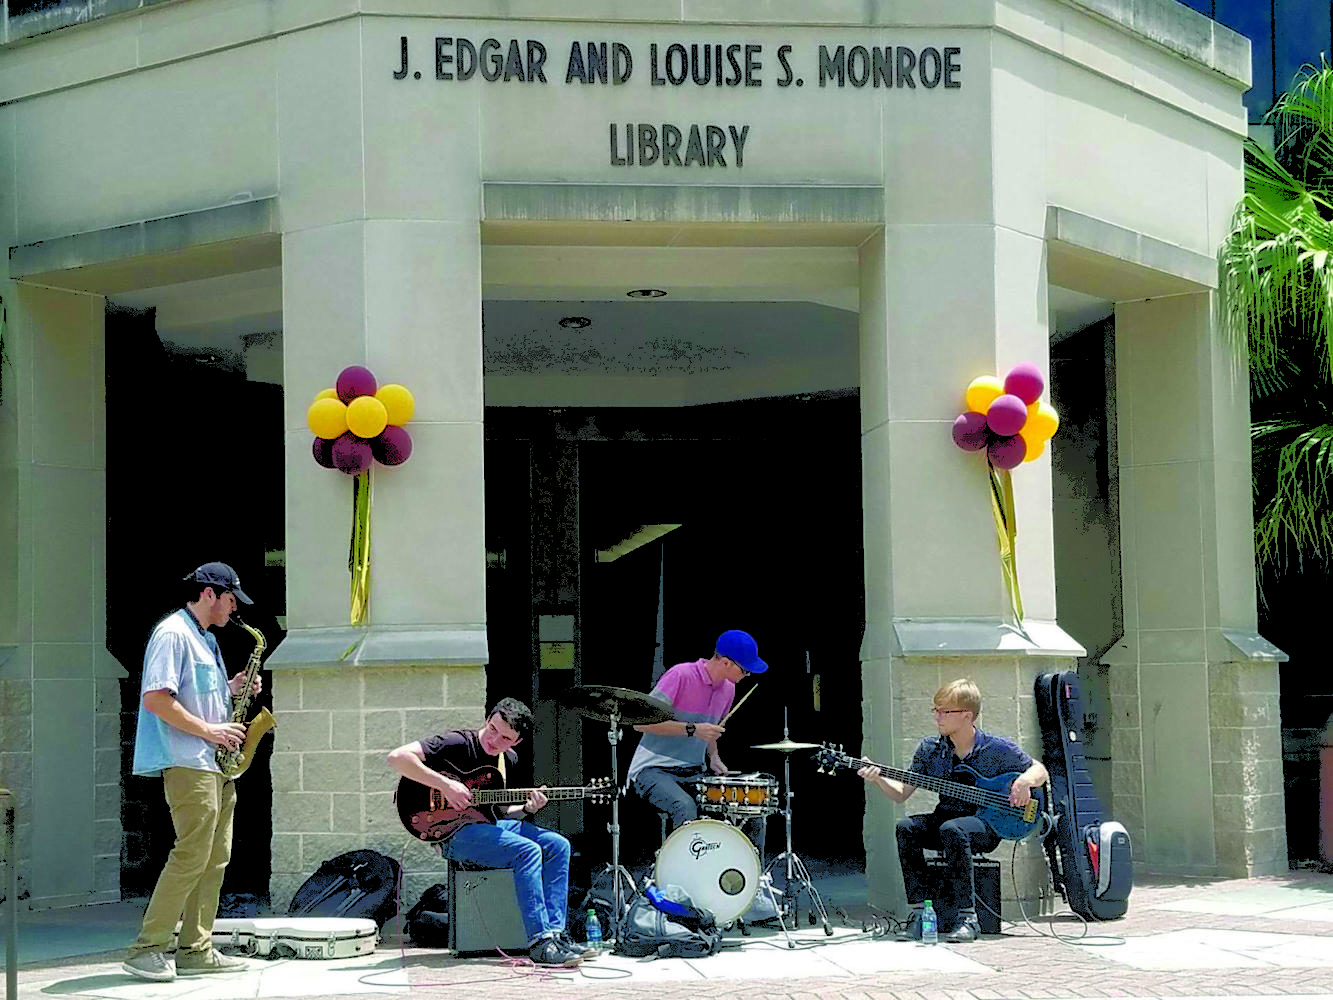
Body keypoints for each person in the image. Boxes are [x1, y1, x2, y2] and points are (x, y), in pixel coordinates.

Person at [122, 562, 259, 981]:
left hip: (215, 764)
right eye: (231, 599)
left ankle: (196, 949)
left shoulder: (206, 640)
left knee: (215, 857)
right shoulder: (173, 633)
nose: (234, 610)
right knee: (191, 854)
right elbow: (157, 699)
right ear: (209, 594)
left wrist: (232, 689)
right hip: (189, 762)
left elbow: (195, 695)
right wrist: (212, 731)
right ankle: (147, 948)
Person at [387, 697, 590, 968]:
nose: (494, 740)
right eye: (493, 729)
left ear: (517, 742)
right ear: (488, 720)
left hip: (486, 827)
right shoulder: (457, 742)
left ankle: (555, 935)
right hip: (451, 831)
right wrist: (445, 785)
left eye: (505, 738)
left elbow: (500, 813)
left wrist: (528, 809)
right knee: (527, 851)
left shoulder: (508, 761)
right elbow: (398, 757)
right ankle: (540, 943)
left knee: (557, 845)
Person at [859, 678, 1048, 943]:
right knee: (907, 829)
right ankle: (919, 912)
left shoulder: (995, 748)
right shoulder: (930, 750)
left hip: (987, 825)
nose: (937, 717)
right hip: (946, 819)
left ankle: (967, 918)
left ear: (967, 715)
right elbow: (901, 794)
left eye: (944, 711)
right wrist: (878, 777)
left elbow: (1040, 770)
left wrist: (1024, 782)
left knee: (954, 829)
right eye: (935, 710)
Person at [627, 629, 768, 854]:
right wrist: (692, 729)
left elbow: (709, 730)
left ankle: (747, 881)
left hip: (694, 770)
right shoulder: (680, 675)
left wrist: (714, 756)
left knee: (748, 810)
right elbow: (639, 723)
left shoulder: (728, 689)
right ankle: (681, 878)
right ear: (725, 662)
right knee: (684, 807)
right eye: (744, 670)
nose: (747, 675)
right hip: (652, 769)